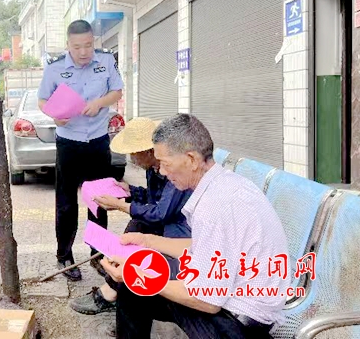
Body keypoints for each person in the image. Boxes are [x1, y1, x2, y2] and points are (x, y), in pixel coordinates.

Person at [102, 114, 290, 339]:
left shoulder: (214, 206)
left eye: (165, 164)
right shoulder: (223, 184)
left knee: (134, 283)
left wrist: (136, 276)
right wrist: (147, 240)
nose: (162, 172)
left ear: (191, 159)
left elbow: (207, 300)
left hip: (235, 324)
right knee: (134, 283)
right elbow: (202, 246)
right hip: (231, 299)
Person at [69, 117, 192, 315]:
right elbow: (155, 198)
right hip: (167, 223)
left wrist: (121, 205)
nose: (132, 159)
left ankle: (111, 292)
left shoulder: (172, 170)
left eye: (134, 153)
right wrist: (130, 191)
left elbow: (160, 213)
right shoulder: (153, 168)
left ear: (149, 152)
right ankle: (112, 286)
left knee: (138, 227)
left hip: (180, 233)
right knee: (137, 225)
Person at [37, 19, 124, 281]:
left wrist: (100, 103)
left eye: (88, 45)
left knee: (99, 200)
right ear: (68, 45)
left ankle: (97, 255)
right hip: (69, 143)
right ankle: (65, 255)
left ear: (93, 41)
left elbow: (117, 91)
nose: (84, 52)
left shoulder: (105, 61)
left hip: (98, 141)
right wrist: (54, 116)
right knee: (66, 203)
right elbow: (43, 99)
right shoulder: (54, 68)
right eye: (77, 47)